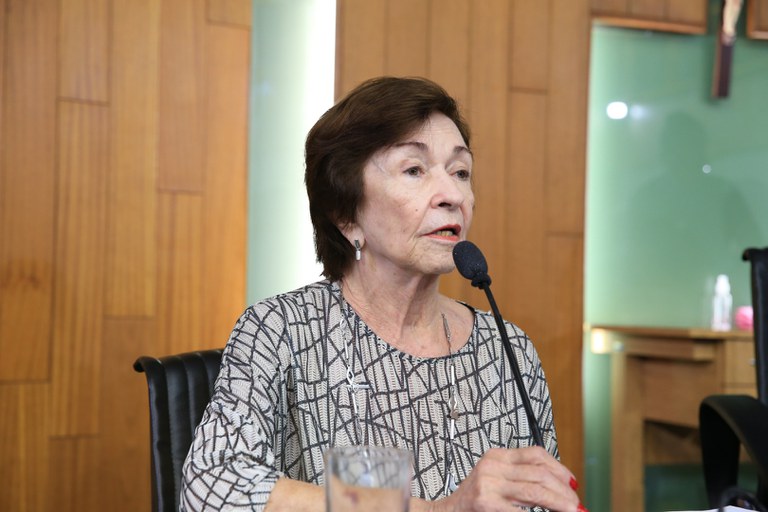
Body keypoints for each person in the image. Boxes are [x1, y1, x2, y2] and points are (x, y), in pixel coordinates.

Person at [180, 76, 585, 512]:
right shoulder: (283, 330)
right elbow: (210, 487)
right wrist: (435, 511)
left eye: (461, 172)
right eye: (414, 170)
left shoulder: (508, 350)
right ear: (346, 215)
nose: (452, 195)